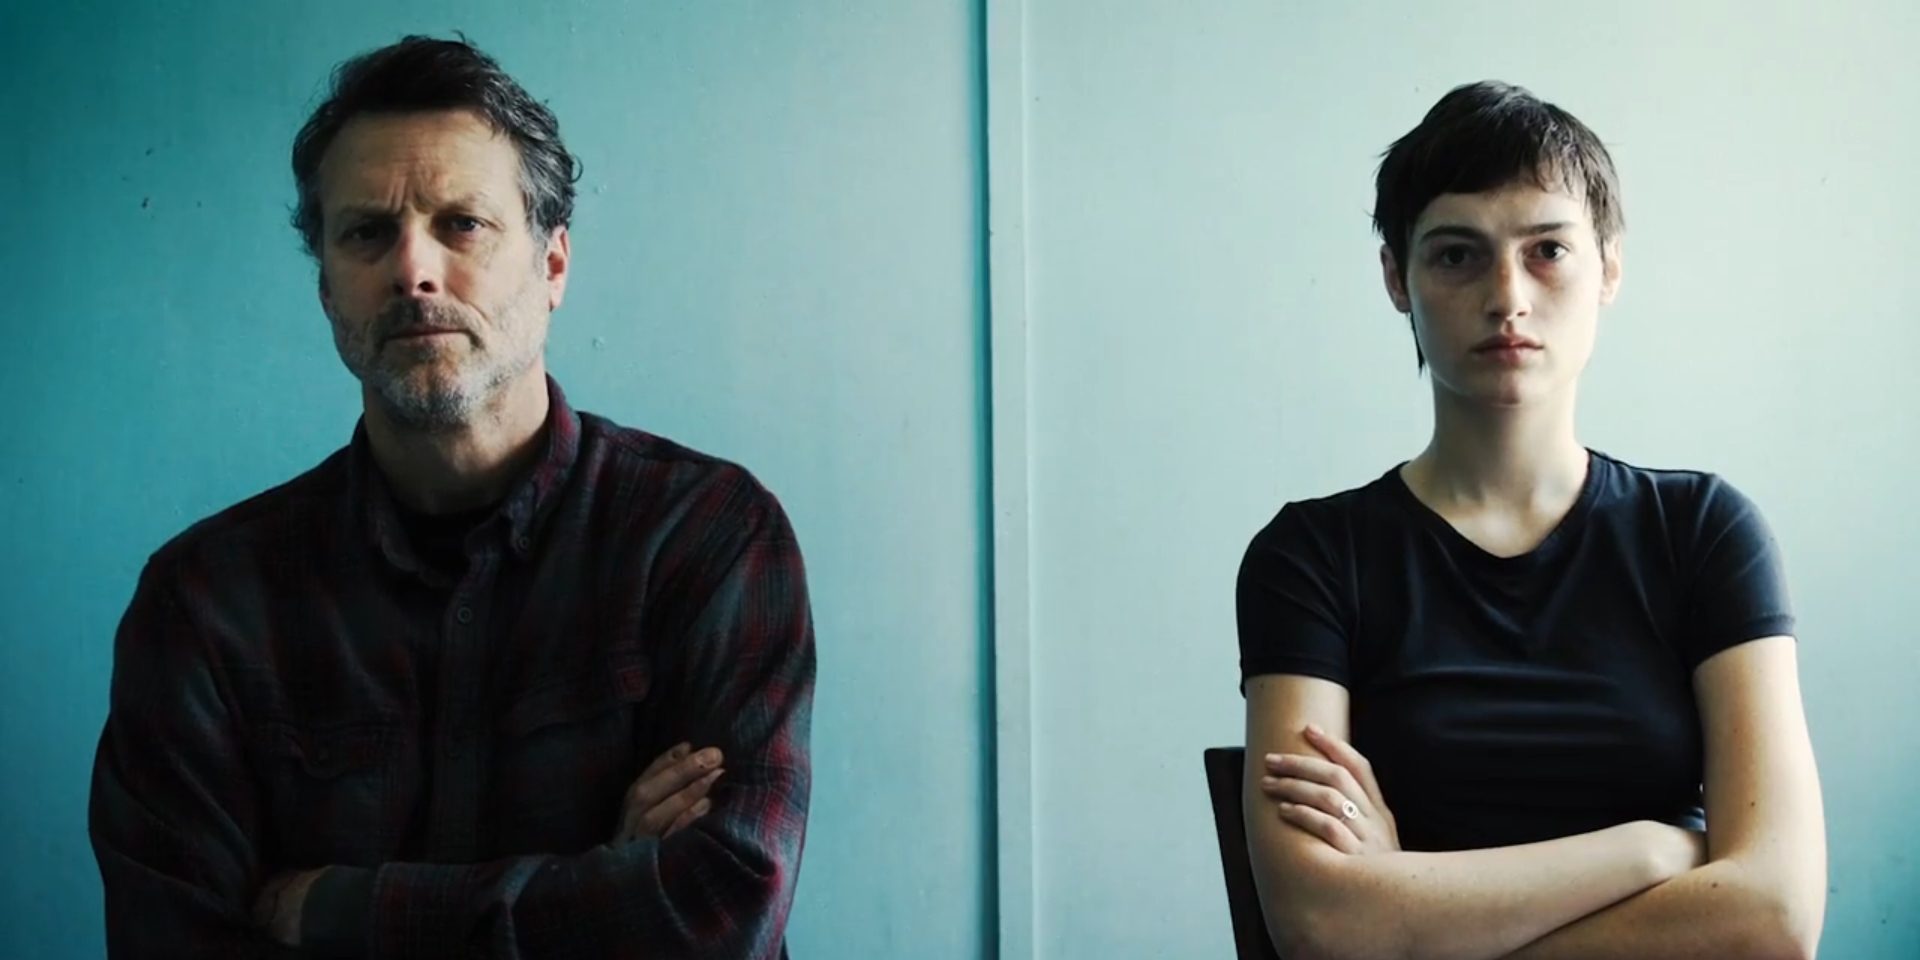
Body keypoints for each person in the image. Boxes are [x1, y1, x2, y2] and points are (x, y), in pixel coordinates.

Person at [88, 36, 815, 958]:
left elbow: (724, 908)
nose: (413, 270)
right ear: (326, 290)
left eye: (462, 224)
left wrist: (334, 910)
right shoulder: (204, 602)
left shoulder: (706, 538)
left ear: (553, 267)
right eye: (367, 233)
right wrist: (604, 884)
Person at [1235, 81, 1825, 960]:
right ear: (1397, 278)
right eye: (1456, 255)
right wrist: (1651, 850)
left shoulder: (1704, 532)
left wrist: (1413, 918)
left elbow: (1773, 917)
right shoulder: (1313, 557)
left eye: (1548, 250)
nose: (1507, 295)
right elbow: (1323, 926)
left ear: (1609, 269)